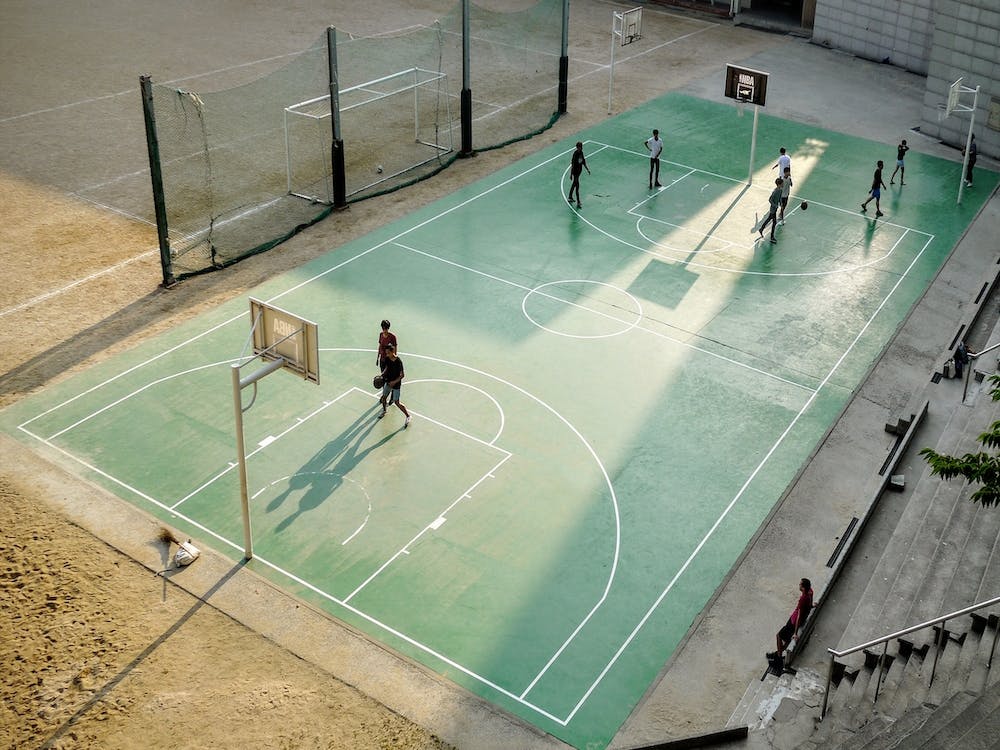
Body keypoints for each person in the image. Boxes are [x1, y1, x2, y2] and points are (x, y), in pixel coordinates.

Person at [767, 578, 814, 672]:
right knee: (787, 639)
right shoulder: (810, 592)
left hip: (793, 622)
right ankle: (777, 654)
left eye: (800, 585)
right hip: (794, 620)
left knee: (779, 636)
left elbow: (799, 616)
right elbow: (809, 605)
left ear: (803, 588)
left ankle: (779, 658)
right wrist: (812, 605)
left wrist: (795, 633)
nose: (799, 585)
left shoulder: (803, 598)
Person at [377, 344, 411, 427]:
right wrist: (382, 374)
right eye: (386, 353)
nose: (387, 354)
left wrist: (394, 382)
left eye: (388, 353)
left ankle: (408, 416)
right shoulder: (388, 359)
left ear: (393, 352)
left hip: (396, 384)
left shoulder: (398, 361)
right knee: (384, 398)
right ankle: (384, 411)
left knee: (397, 402)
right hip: (388, 382)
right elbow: (387, 368)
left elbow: (402, 375)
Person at [758, 177, 783, 244]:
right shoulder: (775, 191)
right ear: (779, 184)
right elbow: (770, 200)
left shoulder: (780, 190)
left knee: (769, 219)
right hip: (773, 209)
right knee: (773, 222)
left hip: (775, 209)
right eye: (782, 183)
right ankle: (771, 237)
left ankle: (761, 229)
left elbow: (780, 197)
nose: (783, 184)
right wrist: (775, 205)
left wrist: (781, 204)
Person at [567, 141, 590, 209]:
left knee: (574, 184)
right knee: (577, 186)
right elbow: (573, 164)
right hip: (575, 172)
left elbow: (583, 161)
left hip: (579, 171)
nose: (581, 148)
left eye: (581, 147)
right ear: (577, 147)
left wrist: (587, 169)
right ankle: (578, 202)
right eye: (580, 147)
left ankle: (570, 197)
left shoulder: (581, 153)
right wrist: (571, 174)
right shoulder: (575, 154)